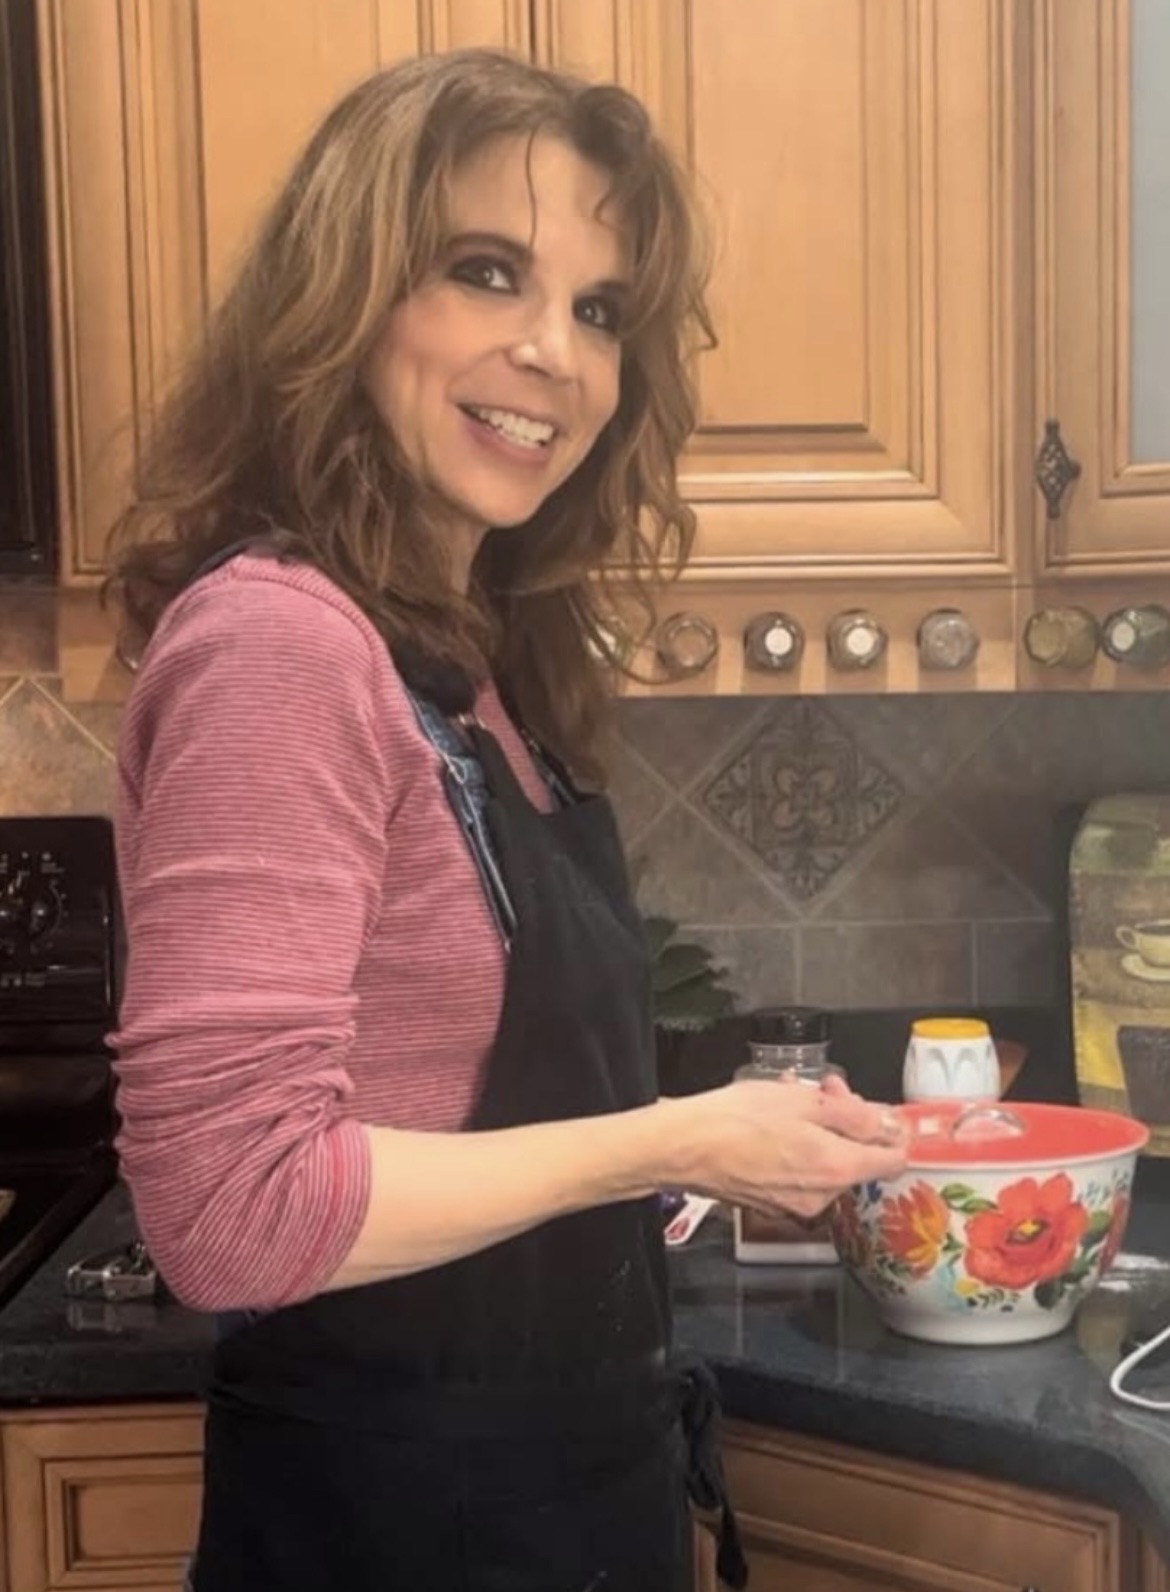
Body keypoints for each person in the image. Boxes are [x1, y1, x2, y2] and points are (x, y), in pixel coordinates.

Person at [107, 47, 908, 1592]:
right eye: (486, 272)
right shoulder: (280, 646)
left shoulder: (481, 670)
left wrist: (687, 1167)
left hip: (562, 1494)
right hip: (394, 1526)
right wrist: (676, 1136)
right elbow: (231, 1211)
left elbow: (446, 1090)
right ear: (342, 302)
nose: (555, 353)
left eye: (600, 310)